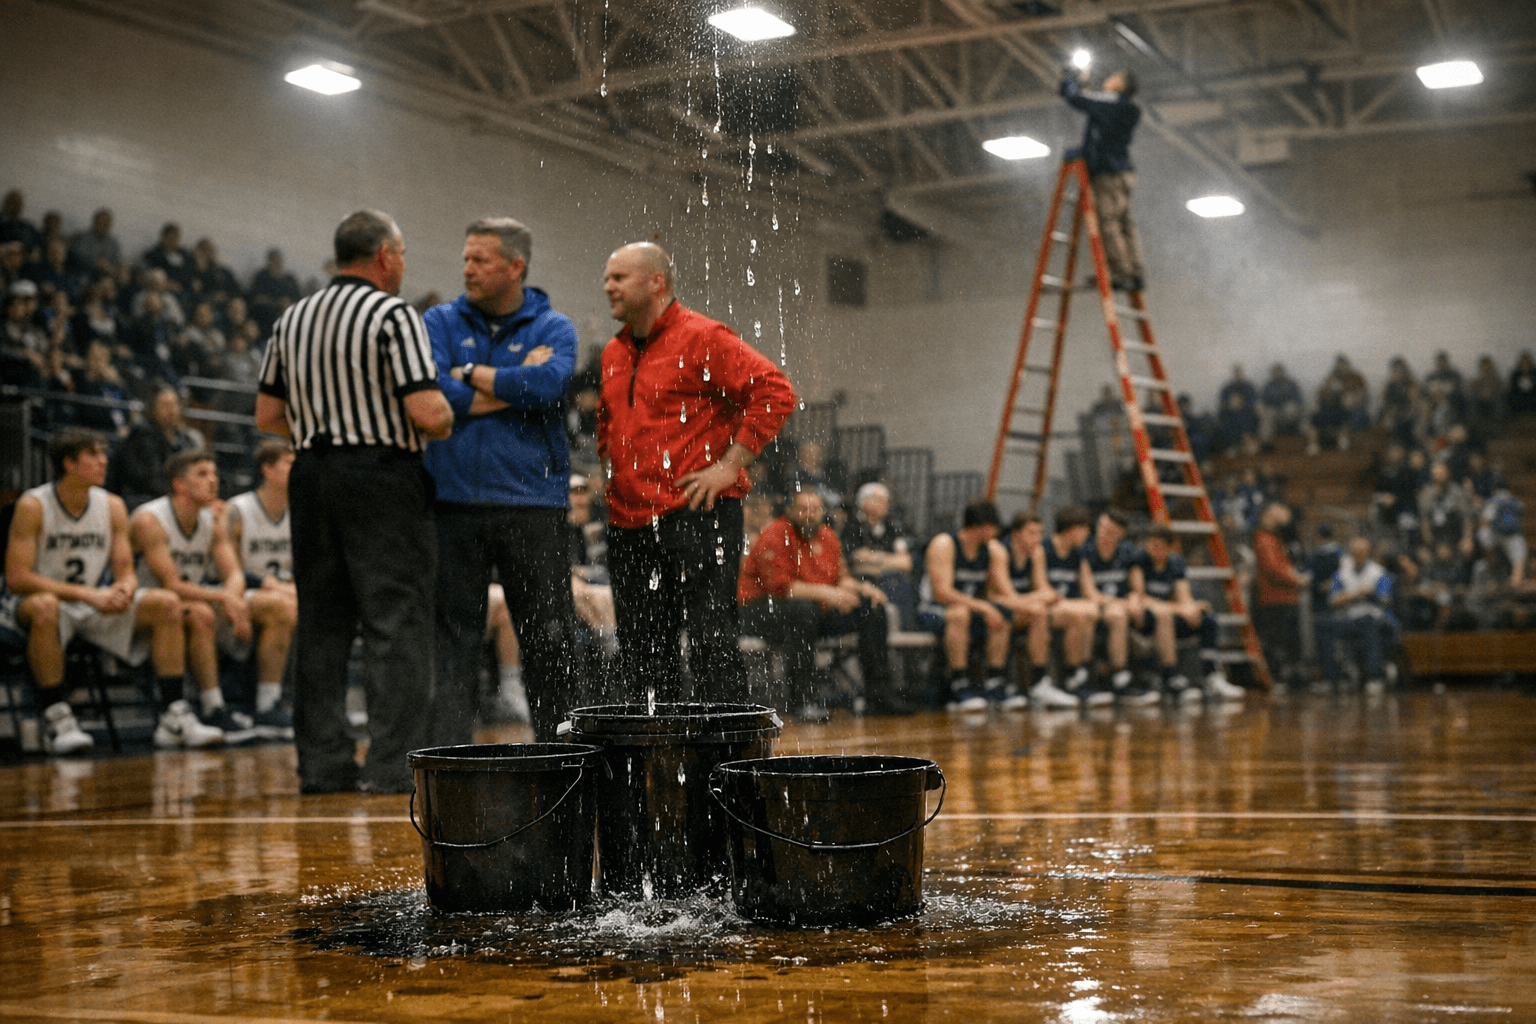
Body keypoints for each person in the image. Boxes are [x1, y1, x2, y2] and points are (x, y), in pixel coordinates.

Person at [255, 209, 453, 795]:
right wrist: (452, 407)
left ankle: (322, 765)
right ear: (385, 256)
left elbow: (268, 417)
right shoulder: (392, 314)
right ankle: (393, 766)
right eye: (403, 255)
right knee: (396, 621)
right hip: (381, 478)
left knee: (321, 623)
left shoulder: (292, 317)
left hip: (311, 474)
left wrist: (327, 425)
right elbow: (429, 414)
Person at [596, 241, 795, 704]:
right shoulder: (613, 352)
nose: (607, 287)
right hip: (630, 522)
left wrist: (729, 466)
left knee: (711, 644)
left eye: (618, 278)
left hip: (696, 514)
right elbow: (609, 423)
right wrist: (612, 473)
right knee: (642, 654)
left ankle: (725, 765)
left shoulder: (703, 337)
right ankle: (656, 764)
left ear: (656, 282)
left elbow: (775, 391)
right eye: (607, 277)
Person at [422, 217, 578, 744]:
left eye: (480, 259)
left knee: (549, 639)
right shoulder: (439, 321)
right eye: (466, 258)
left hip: (535, 504)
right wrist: (510, 387)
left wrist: (467, 376)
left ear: (515, 267)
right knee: (452, 638)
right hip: (452, 501)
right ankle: (449, 755)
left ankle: (561, 755)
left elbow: (549, 385)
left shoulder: (555, 328)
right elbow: (434, 392)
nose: (467, 268)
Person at [1, 429, 205, 754]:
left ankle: (174, 716)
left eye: (103, 453)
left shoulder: (112, 505)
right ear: (69, 463)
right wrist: (87, 595)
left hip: (93, 603)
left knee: (167, 603)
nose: (103, 461)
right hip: (42, 603)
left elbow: (125, 569)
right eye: (93, 454)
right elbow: (17, 578)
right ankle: (58, 719)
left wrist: (125, 587)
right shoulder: (33, 505)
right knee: (43, 607)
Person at [131, 449, 258, 744]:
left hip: (188, 604)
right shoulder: (151, 519)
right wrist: (226, 599)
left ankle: (260, 705)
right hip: (142, 608)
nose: (213, 481)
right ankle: (209, 707)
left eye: (214, 473)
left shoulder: (212, 520)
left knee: (269, 607)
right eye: (202, 474)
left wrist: (232, 598)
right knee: (200, 611)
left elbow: (235, 573)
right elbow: (171, 584)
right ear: (179, 485)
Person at [739, 489, 899, 720]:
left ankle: (879, 696)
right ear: (790, 511)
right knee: (804, 610)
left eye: (815, 509)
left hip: (812, 610)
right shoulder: (775, 533)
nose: (809, 514)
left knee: (871, 608)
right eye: (803, 509)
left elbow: (840, 576)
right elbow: (781, 588)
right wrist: (829, 593)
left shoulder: (827, 535)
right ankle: (803, 700)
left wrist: (860, 588)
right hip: (760, 610)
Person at [222, 440, 298, 739]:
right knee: (283, 606)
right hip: (243, 592)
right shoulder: (238, 510)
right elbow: (225, 567)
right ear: (267, 469)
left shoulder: (297, 510)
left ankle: (297, 699)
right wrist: (270, 585)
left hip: (282, 590)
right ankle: (266, 703)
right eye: (288, 463)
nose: (295, 469)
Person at [917, 498, 1012, 710]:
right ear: (981, 527)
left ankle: (994, 683)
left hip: (970, 609)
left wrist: (993, 607)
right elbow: (942, 593)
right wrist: (984, 607)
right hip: (934, 609)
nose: (996, 533)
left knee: (1001, 615)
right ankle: (960, 684)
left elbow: (996, 593)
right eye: (992, 528)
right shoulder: (944, 544)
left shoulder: (992, 550)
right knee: (959, 614)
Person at [1131, 525, 1244, 703]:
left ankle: (1211, 675)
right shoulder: (1139, 561)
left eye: (1159, 545)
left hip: (1169, 611)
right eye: (1151, 544)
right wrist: (1178, 608)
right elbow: (1140, 597)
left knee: (1206, 618)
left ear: (1170, 548)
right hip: (1147, 618)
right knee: (1164, 617)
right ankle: (1171, 678)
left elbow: (1183, 596)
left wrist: (1192, 607)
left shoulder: (1175, 563)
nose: (1154, 549)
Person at [1060, 64, 1144, 291]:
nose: (1109, 77)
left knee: (1107, 223)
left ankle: (1118, 274)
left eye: (1115, 75)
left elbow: (1075, 97)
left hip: (1108, 173)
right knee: (1125, 225)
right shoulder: (1124, 107)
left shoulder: (1112, 102)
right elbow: (1096, 108)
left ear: (1121, 84)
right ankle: (1135, 273)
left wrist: (1072, 78)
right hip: (1124, 172)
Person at [989, 512, 1078, 709]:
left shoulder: (1037, 552)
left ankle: (1073, 677)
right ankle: (1006, 681)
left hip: (1022, 608)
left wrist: (1044, 596)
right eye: (1031, 533)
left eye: (1040, 533)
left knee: (1075, 616)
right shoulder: (1000, 551)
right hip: (996, 607)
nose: (1037, 538)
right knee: (1038, 612)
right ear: (1015, 534)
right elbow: (1009, 597)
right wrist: (1040, 598)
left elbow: (1044, 588)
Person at [1081, 509, 1159, 706]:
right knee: (1118, 615)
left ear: (1120, 534)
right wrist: (1122, 603)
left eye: (1110, 530)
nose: (1104, 533)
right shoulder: (1085, 551)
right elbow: (1090, 594)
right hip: (1096, 606)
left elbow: (1136, 588)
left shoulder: (1128, 552)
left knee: (1155, 613)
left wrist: (1134, 598)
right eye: (1101, 527)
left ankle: (1167, 675)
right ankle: (1120, 680)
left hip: (1122, 607)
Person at [1321, 537, 1399, 693]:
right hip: (1350, 618)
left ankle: (1374, 677)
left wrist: (1370, 594)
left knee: (1368, 623)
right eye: (1354, 553)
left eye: (1361, 553)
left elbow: (1386, 599)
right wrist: (1354, 594)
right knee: (1323, 625)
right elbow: (1332, 600)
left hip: (1376, 618)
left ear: (1367, 553)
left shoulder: (1378, 572)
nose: (1357, 556)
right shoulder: (1342, 574)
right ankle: (1333, 678)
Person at [107, 386, 205, 509]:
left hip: (175, 497)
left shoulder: (185, 439)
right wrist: (182, 496)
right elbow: (150, 482)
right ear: (153, 409)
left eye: (174, 405)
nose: (171, 410)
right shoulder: (142, 435)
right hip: (144, 500)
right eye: (165, 405)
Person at [841, 482, 916, 629]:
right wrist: (889, 561)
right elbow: (856, 559)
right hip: (864, 582)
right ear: (863, 502)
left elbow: (906, 562)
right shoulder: (853, 526)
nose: (884, 503)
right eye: (877, 499)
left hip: (891, 580)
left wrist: (873, 559)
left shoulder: (892, 527)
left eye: (885, 499)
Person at [1252, 501, 1304, 686]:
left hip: (1282, 597)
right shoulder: (1265, 539)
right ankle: (1278, 677)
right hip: (1275, 598)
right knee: (1278, 642)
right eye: (1280, 509)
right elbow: (1273, 568)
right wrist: (1296, 579)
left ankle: (1285, 677)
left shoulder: (1273, 538)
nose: (1285, 513)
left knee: (1285, 642)